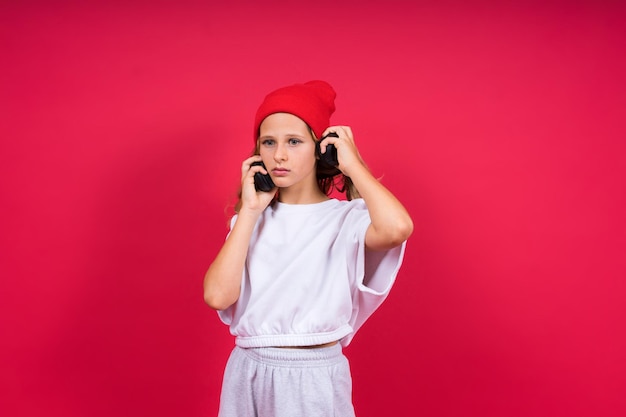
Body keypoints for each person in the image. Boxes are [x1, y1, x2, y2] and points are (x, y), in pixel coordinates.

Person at [203, 80, 413, 416]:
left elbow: (398, 228)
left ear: (321, 149)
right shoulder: (249, 222)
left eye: (294, 142)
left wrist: (353, 165)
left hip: (313, 373)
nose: (279, 155)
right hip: (248, 369)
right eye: (268, 142)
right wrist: (251, 212)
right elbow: (217, 296)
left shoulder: (347, 220)